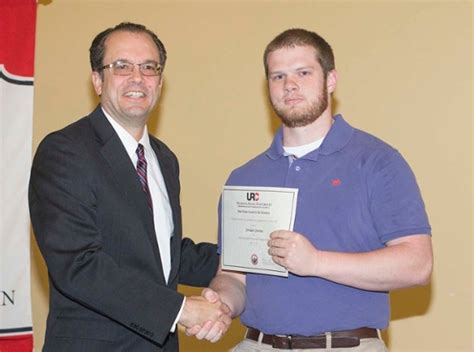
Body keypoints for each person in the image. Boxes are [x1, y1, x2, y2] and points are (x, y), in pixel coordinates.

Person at [187, 28, 433, 351]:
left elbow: (418, 264)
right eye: (278, 76)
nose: (290, 85)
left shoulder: (377, 162)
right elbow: (235, 277)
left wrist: (316, 262)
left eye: (303, 72)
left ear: (330, 80)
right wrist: (220, 305)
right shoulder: (244, 178)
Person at [29, 22, 231, 352]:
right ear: (97, 80)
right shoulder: (64, 151)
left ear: (160, 82)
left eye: (149, 67)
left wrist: (243, 260)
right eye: (121, 66)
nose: (137, 78)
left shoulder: (165, 159)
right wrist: (181, 309)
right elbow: (78, 264)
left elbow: (161, 253)